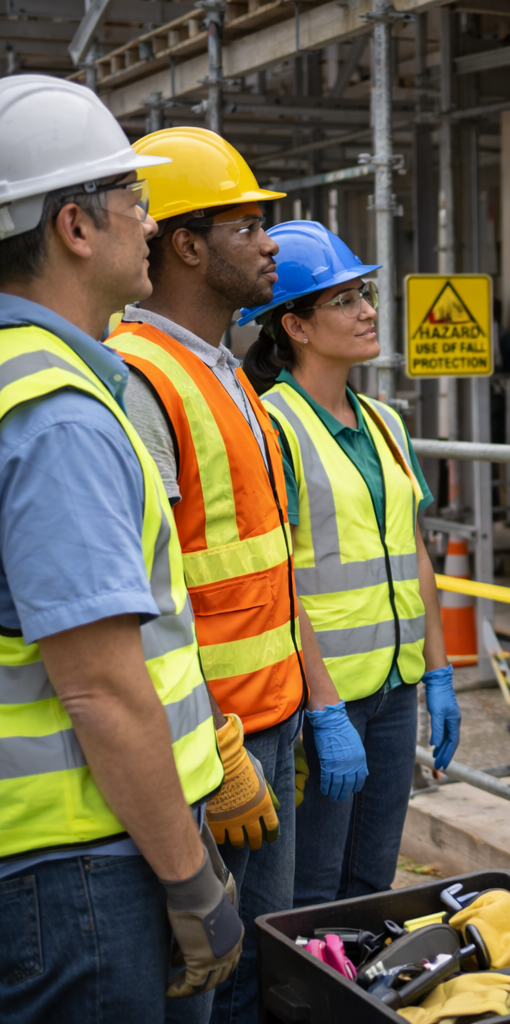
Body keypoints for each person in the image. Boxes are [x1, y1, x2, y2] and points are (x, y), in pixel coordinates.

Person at [0, 76, 243, 1023]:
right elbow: (98, 686)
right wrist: (191, 882)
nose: (149, 224)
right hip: (81, 864)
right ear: (74, 226)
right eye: (135, 202)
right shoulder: (56, 412)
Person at [105, 129, 345, 1024]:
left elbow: (262, 569)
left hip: (266, 721)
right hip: (208, 751)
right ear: (188, 245)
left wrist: (311, 703)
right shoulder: (143, 377)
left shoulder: (226, 373)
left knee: (259, 970)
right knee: (208, 984)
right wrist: (217, 742)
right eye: (248, 225)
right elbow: (144, 597)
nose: (269, 242)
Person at [238, 220, 461, 905]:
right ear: (296, 327)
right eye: (344, 300)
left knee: (372, 879)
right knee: (312, 890)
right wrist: (326, 709)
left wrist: (441, 668)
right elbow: (277, 576)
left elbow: (413, 547)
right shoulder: (272, 424)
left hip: (394, 691)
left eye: (364, 294)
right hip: (320, 702)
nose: (368, 310)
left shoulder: (385, 421)